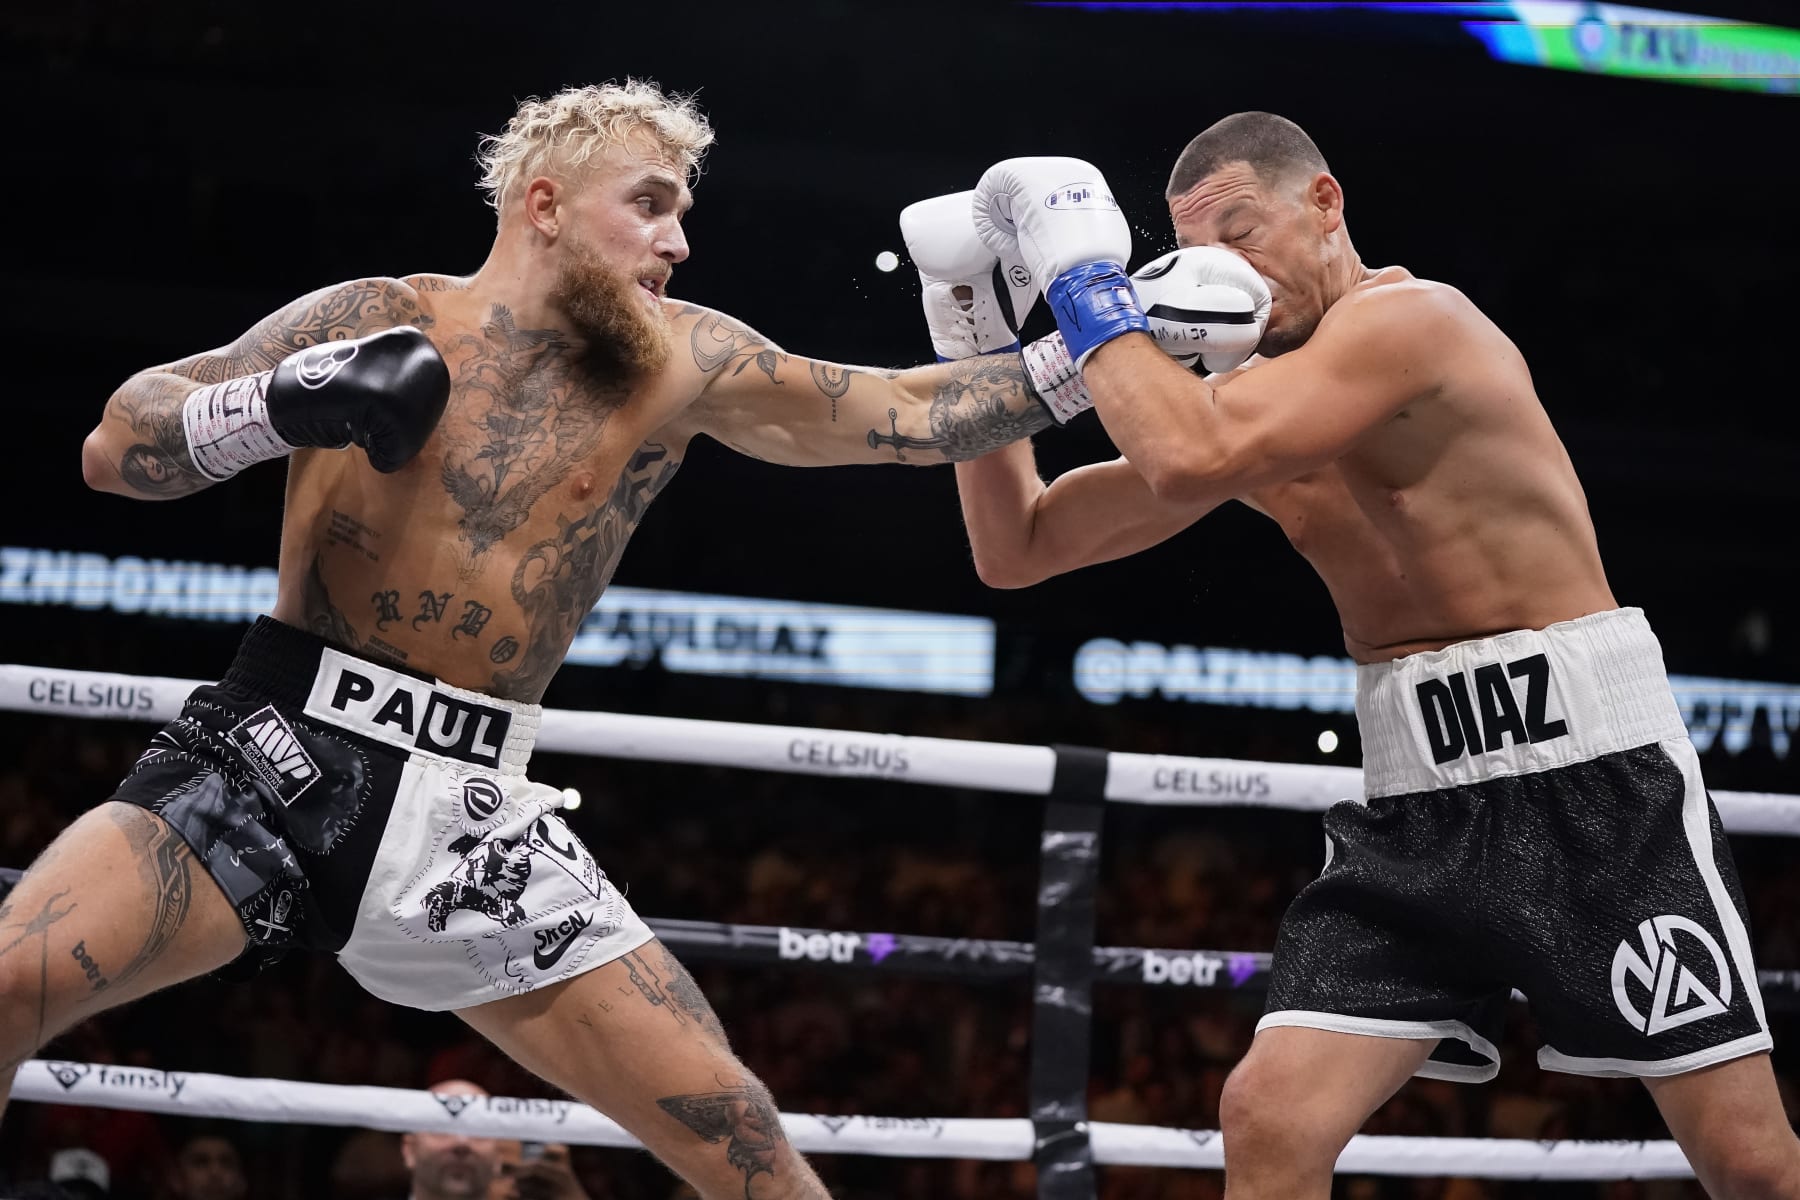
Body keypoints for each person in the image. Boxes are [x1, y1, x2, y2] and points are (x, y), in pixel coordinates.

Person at [0, 78, 1069, 1200]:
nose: (680, 241)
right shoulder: (382, 314)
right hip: (274, 749)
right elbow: (116, 445)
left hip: (474, 813)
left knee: (739, 1134)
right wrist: (280, 400)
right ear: (546, 204)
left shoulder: (683, 359)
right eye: (651, 205)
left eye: (684, 211)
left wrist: (1098, 340)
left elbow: (903, 415)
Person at [951, 114, 1800, 1197]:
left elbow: (1182, 453)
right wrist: (972, 329)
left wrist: (1082, 284)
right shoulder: (1250, 407)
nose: (1227, 271)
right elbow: (1016, 548)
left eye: (1244, 233)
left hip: (1592, 779)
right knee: (1268, 1116)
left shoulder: (1414, 324)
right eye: (1203, 252)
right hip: (1415, 808)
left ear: (1325, 203)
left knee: (1749, 1164)